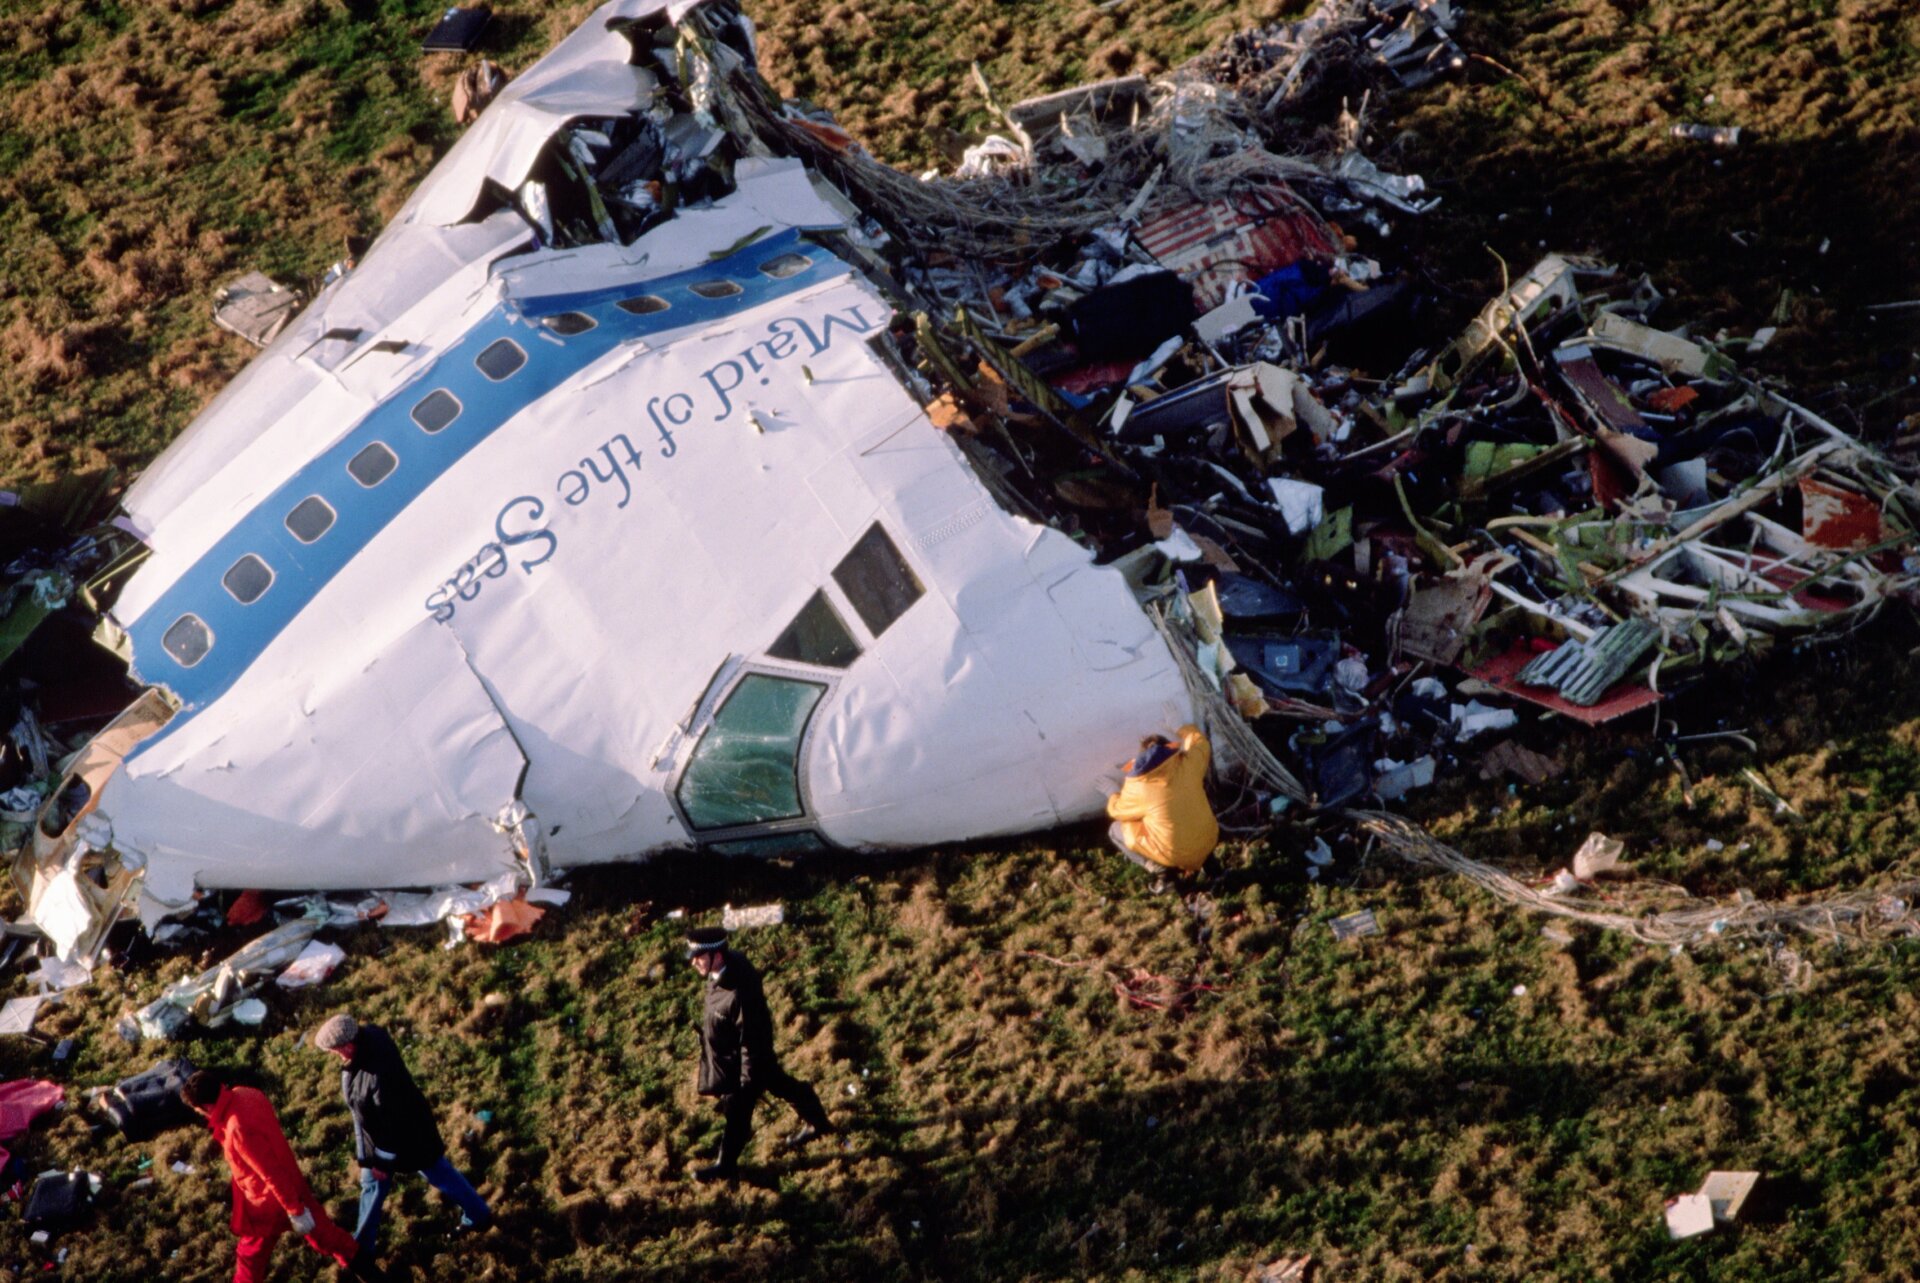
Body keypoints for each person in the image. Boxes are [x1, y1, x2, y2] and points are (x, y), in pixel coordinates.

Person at [178, 1069, 389, 1283]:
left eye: (198, 1110)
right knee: (326, 1236)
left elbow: (269, 1173)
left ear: (205, 1106)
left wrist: (295, 1210)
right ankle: (371, 1273)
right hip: (293, 1181)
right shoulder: (247, 1093)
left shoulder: (237, 1128)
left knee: (249, 1259)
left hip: (267, 1203)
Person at [312, 1013, 493, 1254]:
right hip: (405, 1129)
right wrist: (366, 1157)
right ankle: (479, 1215)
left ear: (348, 1045)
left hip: (408, 1136)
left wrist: (380, 1162)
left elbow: (391, 1124)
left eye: (335, 1050)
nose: (335, 1056)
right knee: (437, 1173)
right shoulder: (372, 1035)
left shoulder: (377, 1077)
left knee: (388, 1181)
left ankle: (361, 1251)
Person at [687, 925, 834, 1181]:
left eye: (698, 956)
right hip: (740, 1057)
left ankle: (725, 1165)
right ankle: (819, 1123)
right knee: (780, 1084)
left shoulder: (739, 993)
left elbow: (752, 1040)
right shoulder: (725, 971)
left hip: (747, 1061)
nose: (694, 963)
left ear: (717, 956)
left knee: (738, 1112)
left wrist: (745, 1079)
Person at [1104, 724, 1219, 877]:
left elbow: (1116, 811)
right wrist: (1181, 727)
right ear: (1170, 749)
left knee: (1115, 829)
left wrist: (1111, 792)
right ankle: (1210, 864)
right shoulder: (1188, 764)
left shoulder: (1139, 786)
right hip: (1210, 840)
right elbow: (1201, 743)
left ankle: (1160, 871)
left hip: (1174, 855)